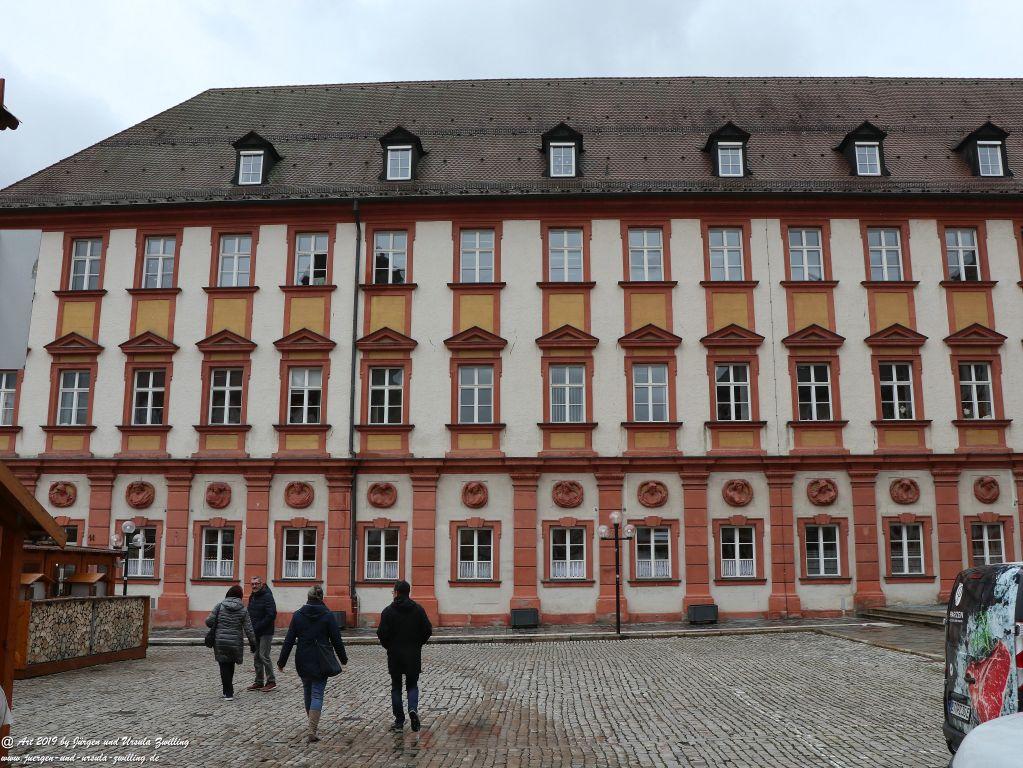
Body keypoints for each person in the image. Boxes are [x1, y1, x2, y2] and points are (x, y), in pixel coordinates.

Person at [277, 585, 348, 743]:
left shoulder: (298, 615)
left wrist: (282, 661)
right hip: (321, 659)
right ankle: (312, 729)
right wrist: (343, 659)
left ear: (308, 598)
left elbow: (289, 640)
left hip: (303, 658)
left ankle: (311, 725)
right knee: (317, 693)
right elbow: (337, 640)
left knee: (307, 690)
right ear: (321, 598)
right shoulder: (328, 616)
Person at [376, 580, 432, 732]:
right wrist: (418, 644)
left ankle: (399, 721)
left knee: (396, 687)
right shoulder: (418, 610)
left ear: (396, 593)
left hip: (395, 655)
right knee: (412, 685)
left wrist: (389, 646)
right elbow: (427, 630)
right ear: (408, 593)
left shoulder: (387, 611)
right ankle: (412, 709)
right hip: (413, 654)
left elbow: (381, 633)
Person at [205, 585, 257, 701]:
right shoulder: (243, 609)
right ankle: (229, 691)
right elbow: (249, 628)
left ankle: (227, 692)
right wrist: (253, 643)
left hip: (220, 640)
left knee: (223, 665)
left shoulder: (219, 606)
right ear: (240, 596)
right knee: (231, 664)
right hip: (235, 641)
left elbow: (208, 622)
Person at [247, 575, 277, 692]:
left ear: (261, 584)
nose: (254, 586)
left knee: (264, 656)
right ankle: (259, 682)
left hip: (266, 631)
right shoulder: (252, 596)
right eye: (252, 584)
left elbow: (271, 615)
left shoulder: (267, 596)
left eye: (256, 584)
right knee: (256, 657)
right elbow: (250, 612)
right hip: (256, 631)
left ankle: (271, 681)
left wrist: (259, 626)